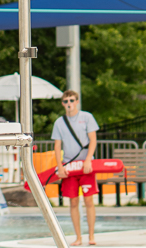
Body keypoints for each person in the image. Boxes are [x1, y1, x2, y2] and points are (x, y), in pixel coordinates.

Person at [52, 91, 99, 246]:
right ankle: (78, 237)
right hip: (69, 167)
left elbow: (93, 140)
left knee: (89, 200)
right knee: (73, 202)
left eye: (71, 100)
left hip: (85, 166)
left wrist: (88, 160)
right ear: (62, 104)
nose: (69, 103)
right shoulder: (59, 122)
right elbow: (57, 145)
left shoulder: (87, 117)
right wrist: (59, 166)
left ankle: (91, 236)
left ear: (77, 101)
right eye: (66, 101)